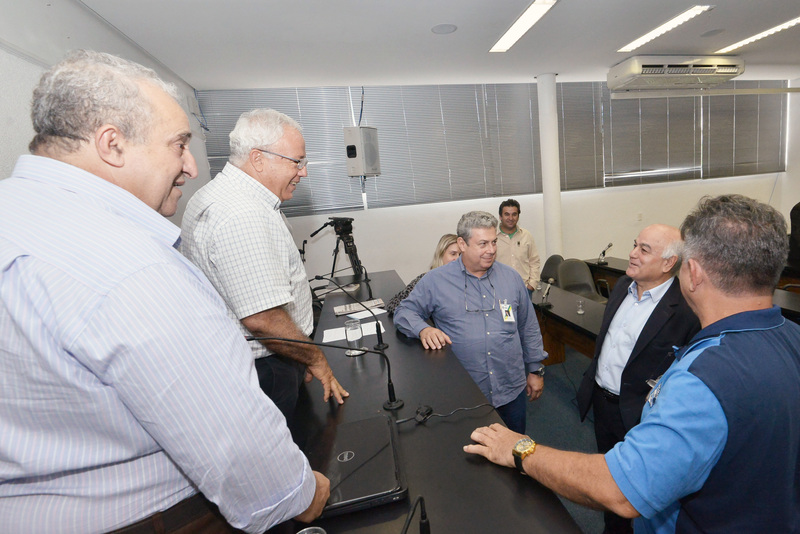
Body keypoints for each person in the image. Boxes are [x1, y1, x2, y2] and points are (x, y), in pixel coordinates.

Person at [0, 50, 328, 533]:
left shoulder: (16, 212)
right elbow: (240, 453)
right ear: (112, 144)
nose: (191, 167)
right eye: (178, 145)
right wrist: (303, 492)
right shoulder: (125, 262)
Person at [464, 194, 800, 534]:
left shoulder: (703, 378)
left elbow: (621, 488)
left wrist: (519, 449)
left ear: (693, 272)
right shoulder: (793, 337)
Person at [180, 108, 348, 428]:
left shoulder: (222, 195)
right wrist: (315, 358)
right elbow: (263, 319)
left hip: (264, 358)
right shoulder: (243, 213)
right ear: (258, 159)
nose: (303, 172)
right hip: (267, 369)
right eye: (297, 162)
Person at [575, 224, 700, 534]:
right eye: (635, 245)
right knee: (608, 480)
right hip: (602, 402)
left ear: (669, 263)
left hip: (640, 415)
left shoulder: (686, 309)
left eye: (644, 250)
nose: (632, 254)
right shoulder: (622, 286)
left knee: (640, 492)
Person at [394, 211, 547, 433]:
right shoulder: (436, 280)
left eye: (494, 242)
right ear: (462, 244)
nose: (491, 250)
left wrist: (535, 370)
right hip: (464, 394)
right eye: (483, 243)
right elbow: (404, 311)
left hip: (510, 389)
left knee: (514, 446)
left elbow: (528, 326)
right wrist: (423, 329)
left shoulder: (511, 278)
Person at [385, 233, 460, 314]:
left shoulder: (465, 280)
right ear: (441, 255)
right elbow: (393, 304)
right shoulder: (426, 279)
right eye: (453, 254)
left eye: (461, 255)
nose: (458, 258)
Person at [494, 198, 541, 294]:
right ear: (500, 216)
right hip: (500, 291)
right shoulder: (492, 237)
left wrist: (531, 285)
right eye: (507, 214)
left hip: (524, 290)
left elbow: (534, 261)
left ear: (518, 216)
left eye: (514, 214)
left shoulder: (526, 235)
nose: (511, 218)